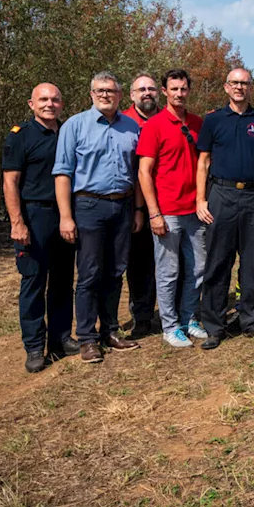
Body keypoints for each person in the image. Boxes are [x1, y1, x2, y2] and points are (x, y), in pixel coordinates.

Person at [53, 72, 144, 363]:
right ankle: (87, 338)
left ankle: (111, 331)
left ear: (120, 95)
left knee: (116, 272)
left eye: (111, 91)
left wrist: (139, 209)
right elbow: (63, 173)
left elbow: (139, 173)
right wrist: (66, 217)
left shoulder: (131, 127)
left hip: (123, 207)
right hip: (88, 206)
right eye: (100, 90)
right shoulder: (74, 125)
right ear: (91, 94)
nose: (106, 95)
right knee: (90, 274)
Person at [196, 68, 254, 349]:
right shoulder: (213, 120)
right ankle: (214, 327)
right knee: (218, 262)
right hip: (221, 195)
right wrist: (200, 199)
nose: (240, 87)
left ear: (250, 87)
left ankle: (252, 321)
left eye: (244, 83)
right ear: (226, 86)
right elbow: (203, 162)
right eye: (235, 83)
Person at [2, 83, 78, 373]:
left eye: (55, 99)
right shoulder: (20, 137)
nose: (50, 104)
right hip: (35, 216)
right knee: (33, 283)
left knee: (62, 281)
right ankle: (34, 347)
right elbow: (11, 182)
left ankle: (60, 339)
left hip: (66, 215)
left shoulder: (68, 132)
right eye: (43, 99)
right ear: (31, 104)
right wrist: (17, 222)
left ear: (62, 103)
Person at [138, 69, 209, 349]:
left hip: (195, 210)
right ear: (164, 92)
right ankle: (169, 326)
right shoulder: (154, 125)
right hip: (167, 211)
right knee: (168, 271)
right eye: (174, 89)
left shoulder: (197, 123)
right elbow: (145, 172)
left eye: (183, 89)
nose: (179, 93)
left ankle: (189, 317)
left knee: (197, 268)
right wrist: (153, 213)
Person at [122, 74, 161, 338]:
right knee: (139, 263)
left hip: (168, 201)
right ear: (132, 94)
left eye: (151, 88)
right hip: (134, 206)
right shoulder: (123, 122)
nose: (147, 93)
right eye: (141, 89)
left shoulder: (169, 118)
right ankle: (143, 316)